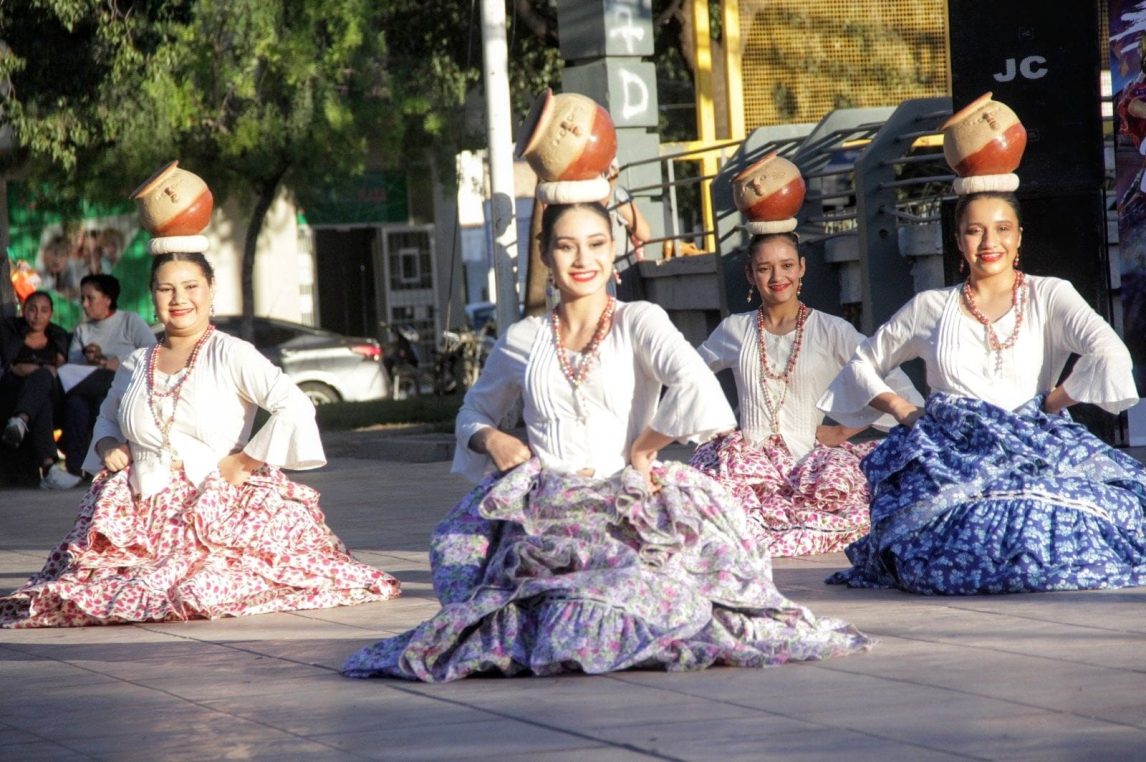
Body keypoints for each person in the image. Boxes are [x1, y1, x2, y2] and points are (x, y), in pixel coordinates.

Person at [342, 201, 870, 682]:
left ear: (612, 250)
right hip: (547, 509)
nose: (582, 258)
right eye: (566, 245)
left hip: (627, 501)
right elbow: (472, 410)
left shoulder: (638, 321)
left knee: (628, 608)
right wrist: (490, 438)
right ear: (546, 254)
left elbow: (697, 386)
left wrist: (646, 446)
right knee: (539, 624)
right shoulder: (524, 338)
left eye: (595, 243)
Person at [0, 251, 399, 626]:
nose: (179, 299)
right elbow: (107, 417)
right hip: (137, 507)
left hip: (215, 500)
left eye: (191, 286)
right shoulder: (137, 362)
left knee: (195, 587)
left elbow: (294, 407)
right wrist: (108, 446)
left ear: (210, 290)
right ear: (153, 296)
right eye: (166, 288)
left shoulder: (231, 353)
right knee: (81, 591)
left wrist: (244, 462)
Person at [817, 190, 1146, 594]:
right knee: (962, 528)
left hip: (1034, 440)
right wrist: (906, 411)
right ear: (958, 241)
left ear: (1019, 236)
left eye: (1002, 229)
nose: (990, 243)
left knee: (1066, 507)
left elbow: (1110, 353)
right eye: (975, 231)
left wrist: (1053, 402)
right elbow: (861, 364)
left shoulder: (1051, 294)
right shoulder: (931, 306)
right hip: (952, 449)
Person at [690, 233, 922, 557]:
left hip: (808, 463)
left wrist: (845, 430)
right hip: (747, 460)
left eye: (786, 265)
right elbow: (686, 375)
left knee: (848, 506)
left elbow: (890, 379)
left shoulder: (832, 330)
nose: (777, 277)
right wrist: (714, 424)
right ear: (750, 274)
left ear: (801, 268)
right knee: (716, 518)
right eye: (764, 268)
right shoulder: (735, 329)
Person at [42, 274, 156, 489]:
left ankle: (106, 464)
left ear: (107, 298)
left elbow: (152, 351)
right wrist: (93, 360)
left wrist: (118, 362)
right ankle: (77, 469)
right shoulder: (82, 330)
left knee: (102, 400)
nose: (84, 304)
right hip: (89, 385)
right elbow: (72, 369)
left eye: (90, 298)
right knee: (75, 404)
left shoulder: (129, 321)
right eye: (82, 299)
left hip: (122, 384)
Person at [1, 291, 68, 482]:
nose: (37, 315)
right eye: (32, 309)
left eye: (44, 310)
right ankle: (49, 469)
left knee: (44, 378)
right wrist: (39, 369)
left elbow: (59, 370)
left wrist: (31, 369)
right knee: (42, 400)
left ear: (51, 314)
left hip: (51, 393)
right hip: (13, 393)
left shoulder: (57, 336)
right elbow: (11, 364)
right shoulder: (10, 329)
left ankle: (20, 421)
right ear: (23, 309)